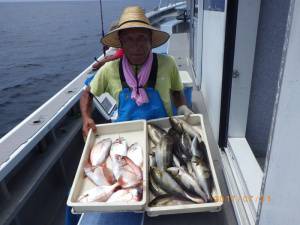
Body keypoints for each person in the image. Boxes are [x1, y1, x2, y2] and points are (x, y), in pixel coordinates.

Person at [80, 6, 193, 138]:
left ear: (150, 41)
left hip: (164, 132)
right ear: (121, 43)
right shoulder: (109, 69)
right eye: (129, 39)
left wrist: (181, 106)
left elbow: (176, 90)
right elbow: (87, 93)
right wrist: (86, 117)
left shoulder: (168, 63)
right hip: (125, 135)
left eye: (142, 38)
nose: (136, 46)